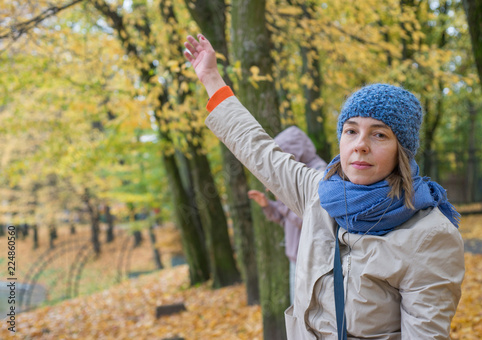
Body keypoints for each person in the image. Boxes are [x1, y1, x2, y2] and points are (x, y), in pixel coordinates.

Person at [184, 34, 465, 340]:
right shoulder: (317, 193)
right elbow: (258, 150)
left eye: (379, 135)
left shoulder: (430, 234)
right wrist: (211, 77)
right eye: (351, 131)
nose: (360, 145)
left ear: (403, 149)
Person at [247, 126, 328, 302]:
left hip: (313, 262)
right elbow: (286, 221)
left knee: (309, 316)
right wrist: (268, 205)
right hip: (296, 259)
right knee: (297, 315)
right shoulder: (291, 177)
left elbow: (312, 221)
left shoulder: (318, 173)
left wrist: (281, 197)